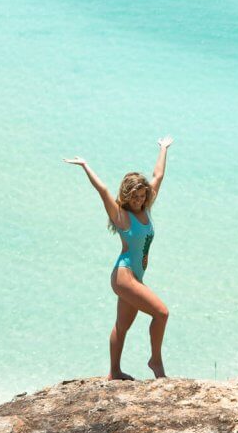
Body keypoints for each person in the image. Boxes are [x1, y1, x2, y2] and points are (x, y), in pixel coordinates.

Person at [64, 137, 173, 380]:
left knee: (122, 327)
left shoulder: (145, 207)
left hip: (135, 276)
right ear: (126, 195)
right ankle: (155, 361)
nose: (139, 201)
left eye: (142, 196)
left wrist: (163, 149)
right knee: (161, 313)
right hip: (124, 276)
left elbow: (158, 175)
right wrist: (85, 165)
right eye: (134, 197)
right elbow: (102, 190)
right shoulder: (121, 215)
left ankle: (114, 372)